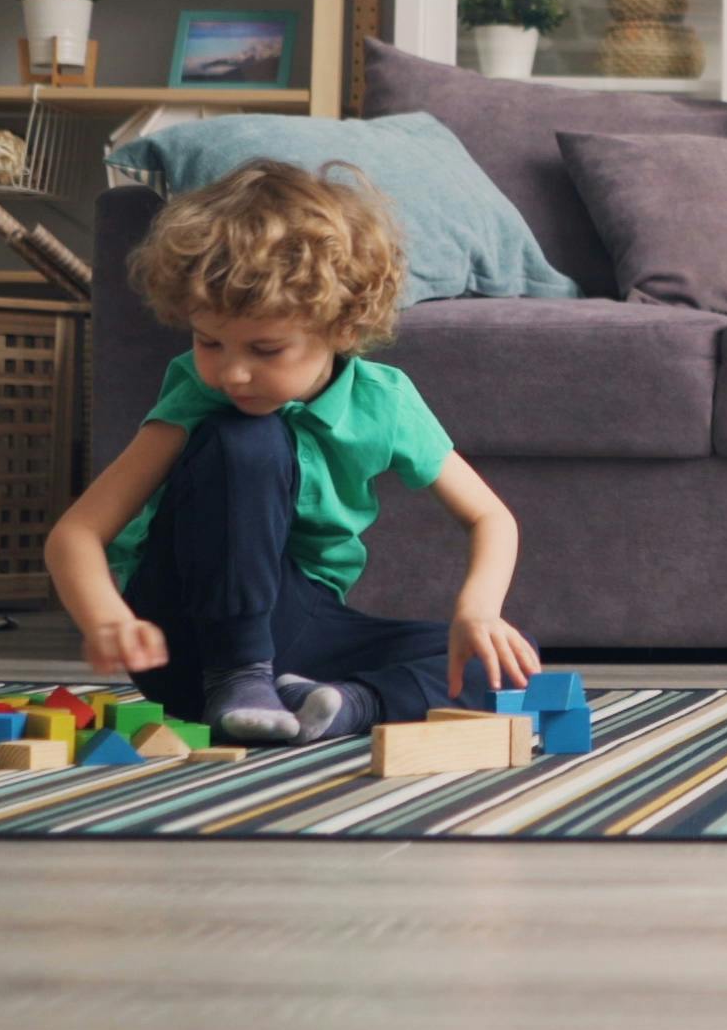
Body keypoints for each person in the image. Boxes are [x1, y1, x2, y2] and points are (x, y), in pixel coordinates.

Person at [42, 162, 539, 746]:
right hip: (184, 633)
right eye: (209, 342)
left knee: (505, 662)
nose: (232, 371)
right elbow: (75, 534)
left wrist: (477, 610)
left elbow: (490, 516)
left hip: (298, 628)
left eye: (266, 348)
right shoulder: (198, 395)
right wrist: (108, 620)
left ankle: (344, 707)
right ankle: (240, 674)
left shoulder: (385, 403)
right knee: (247, 438)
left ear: (344, 327)